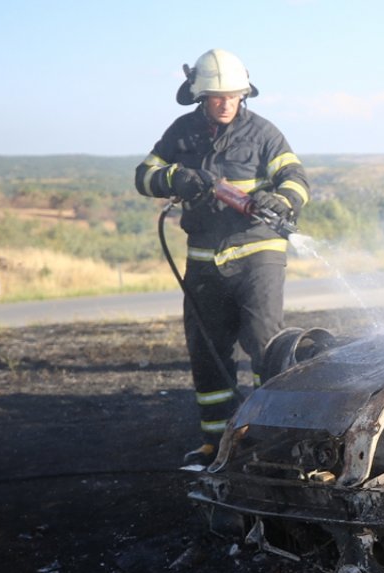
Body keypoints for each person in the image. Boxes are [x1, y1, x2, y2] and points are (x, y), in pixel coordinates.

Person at [134, 49, 309, 464]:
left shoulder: (265, 134)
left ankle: (273, 438)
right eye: (217, 96)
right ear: (200, 97)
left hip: (258, 253)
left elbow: (297, 180)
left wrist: (281, 199)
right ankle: (219, 445)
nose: (226, 102)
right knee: (208, 351)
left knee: (264, 342)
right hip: (203, 260)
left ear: (244, 94)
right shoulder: (181, 133)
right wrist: (175, 177)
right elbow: (143, 176)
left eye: (234, 95)